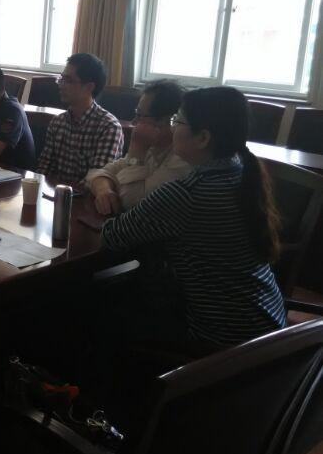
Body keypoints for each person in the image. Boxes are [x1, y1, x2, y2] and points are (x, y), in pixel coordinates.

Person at [101, 86, 286, 350]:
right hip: (267, 323)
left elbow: (112, 236)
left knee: (102, 307)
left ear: (203, 138)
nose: (172, 127)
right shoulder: (241, 172)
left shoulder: (187, 193)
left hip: (222, 341)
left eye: (177, 121)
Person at [85, 80, 191, 215]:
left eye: (140, 115)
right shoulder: (151, 148)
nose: (134, 121)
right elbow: (96, 174)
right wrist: (104, 190)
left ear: (166, 121)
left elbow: (130, 202)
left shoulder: (182, 160)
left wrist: (137, 151)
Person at [34, 53, 124, 185]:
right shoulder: (58, 122)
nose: (61, 85)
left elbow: (96, 180)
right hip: (55, 193)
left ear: (89, 87)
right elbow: (44, 169)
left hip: (87, 196)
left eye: (69, 81)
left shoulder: (108, 127)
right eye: (61, 79)